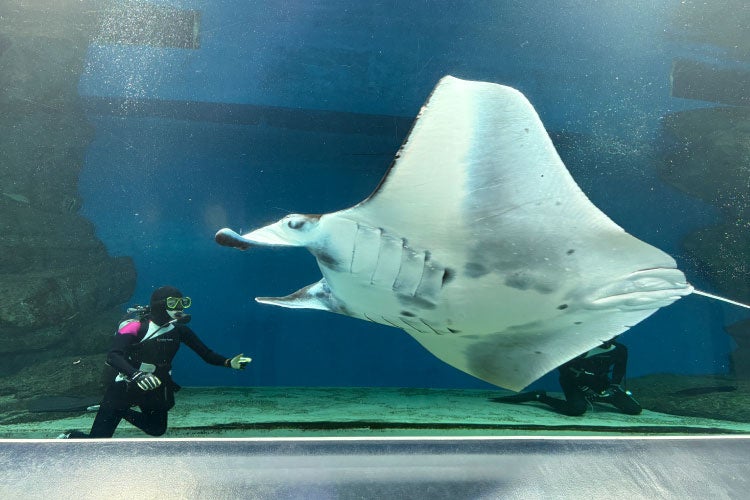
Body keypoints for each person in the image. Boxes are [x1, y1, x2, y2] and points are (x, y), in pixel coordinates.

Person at [58, 285, 252, 438]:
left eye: (183, 303)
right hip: (126, 384)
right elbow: (114, 355)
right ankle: (71, 436)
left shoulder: (180, 330)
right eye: (173, 303)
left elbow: (206, 354)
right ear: (160, 305)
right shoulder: (135, 327)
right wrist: (136, 375)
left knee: (156, 429)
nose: (180, 308)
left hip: (156, 385)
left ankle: (119, 410)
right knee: (98, 440)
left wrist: (229, 362)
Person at [493, 340, 641, 416]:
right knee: (576, 410)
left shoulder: (620, 350)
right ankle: (539, 396)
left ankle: (597, 398)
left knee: (634, 409)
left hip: (599, 382)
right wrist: (584, 388)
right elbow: (564, 369)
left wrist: (613, 388)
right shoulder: (582, 348)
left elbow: (619, 371)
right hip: (572, 381)